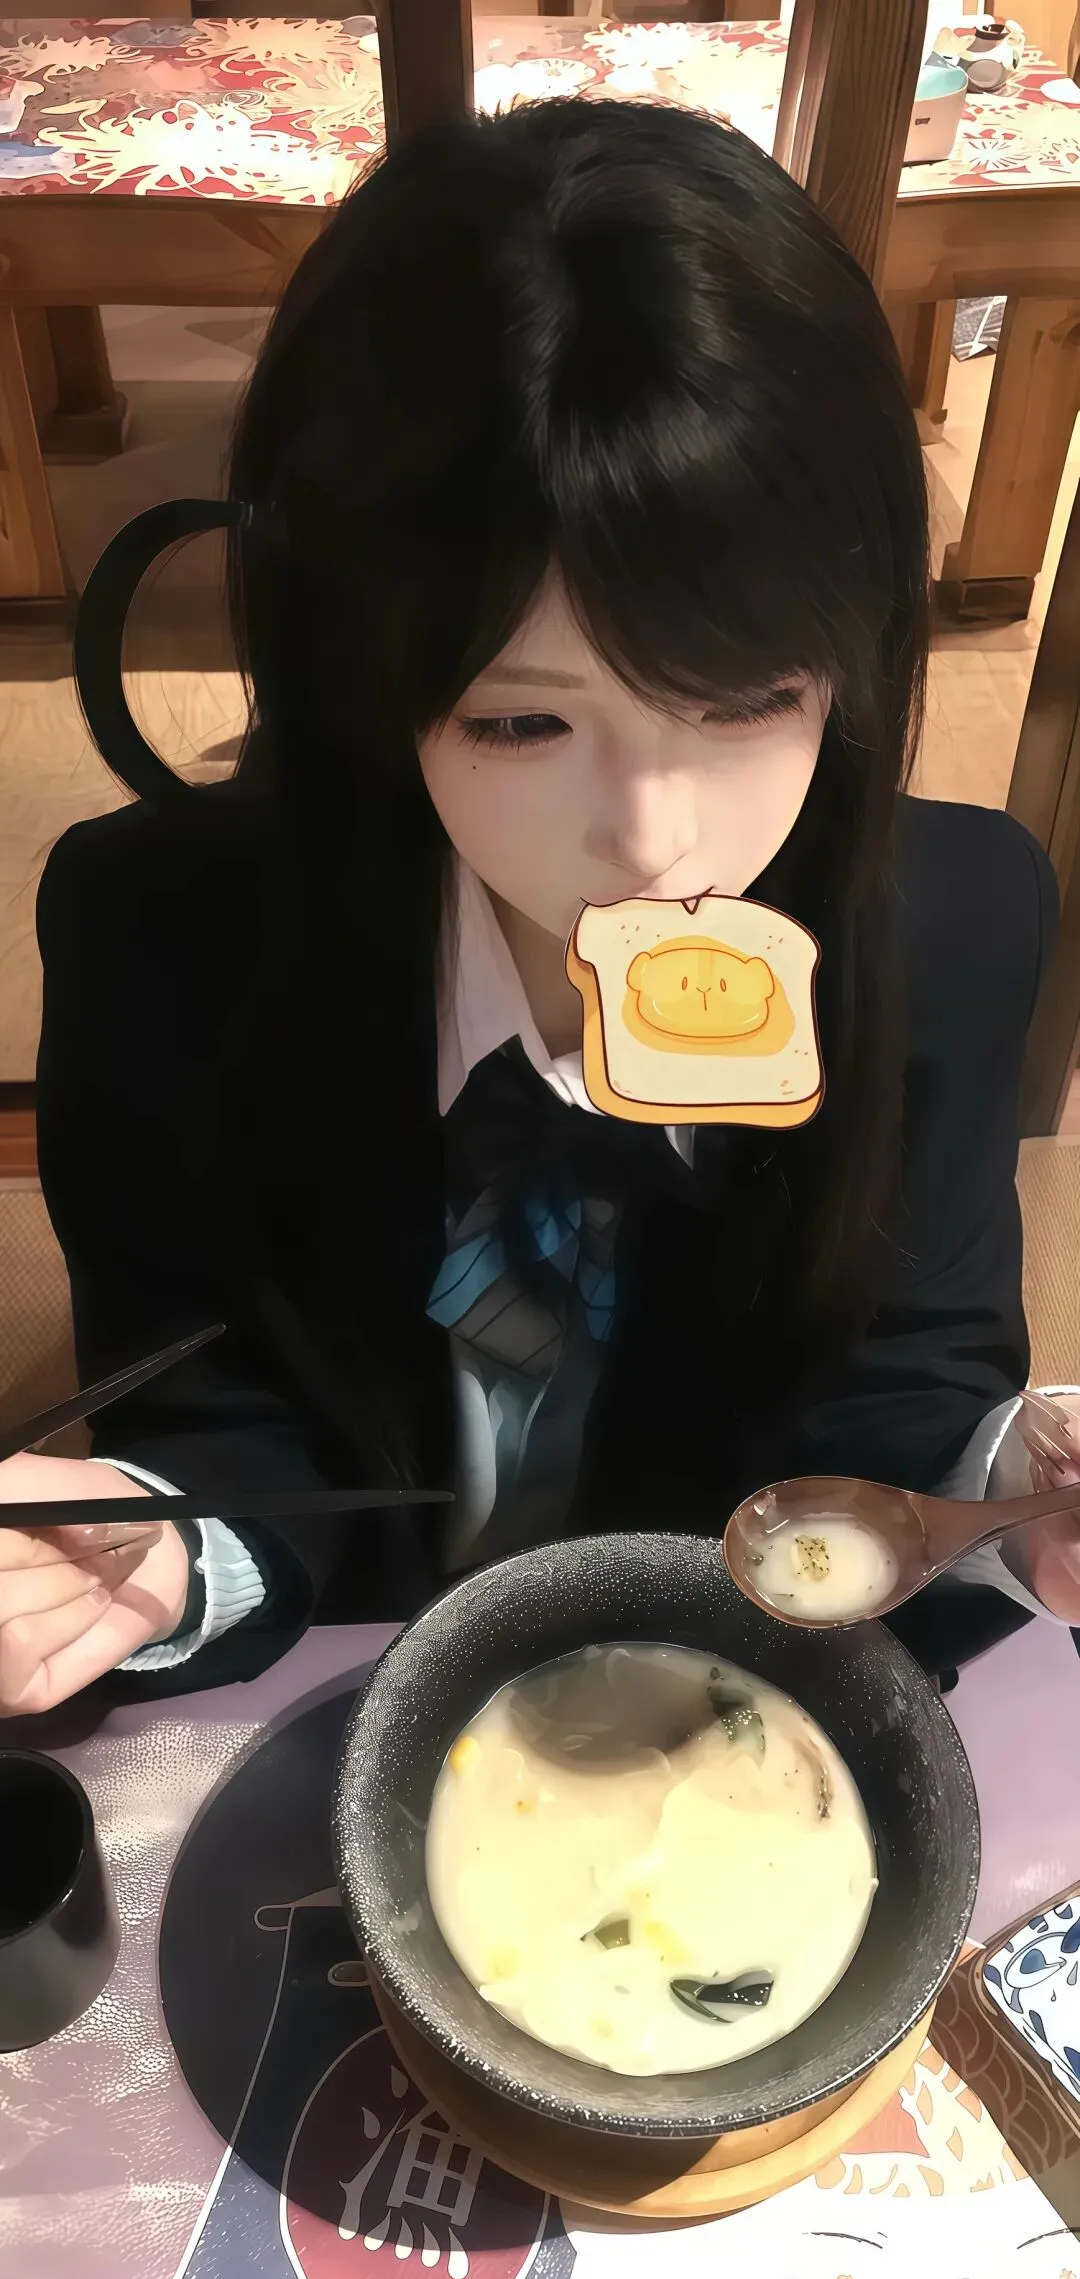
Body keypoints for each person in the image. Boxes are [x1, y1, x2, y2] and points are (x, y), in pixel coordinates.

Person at [2, 97, 1078, 1718]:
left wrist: (1013, 1488)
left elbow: (908, 1373)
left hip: (728, 1699)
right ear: (367, 681)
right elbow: (215, 1402)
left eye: (746, 701)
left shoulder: (953, 921)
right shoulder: (158, 937)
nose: (653, 839)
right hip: (355, 1684)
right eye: (520, 721)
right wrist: (161, 1546)